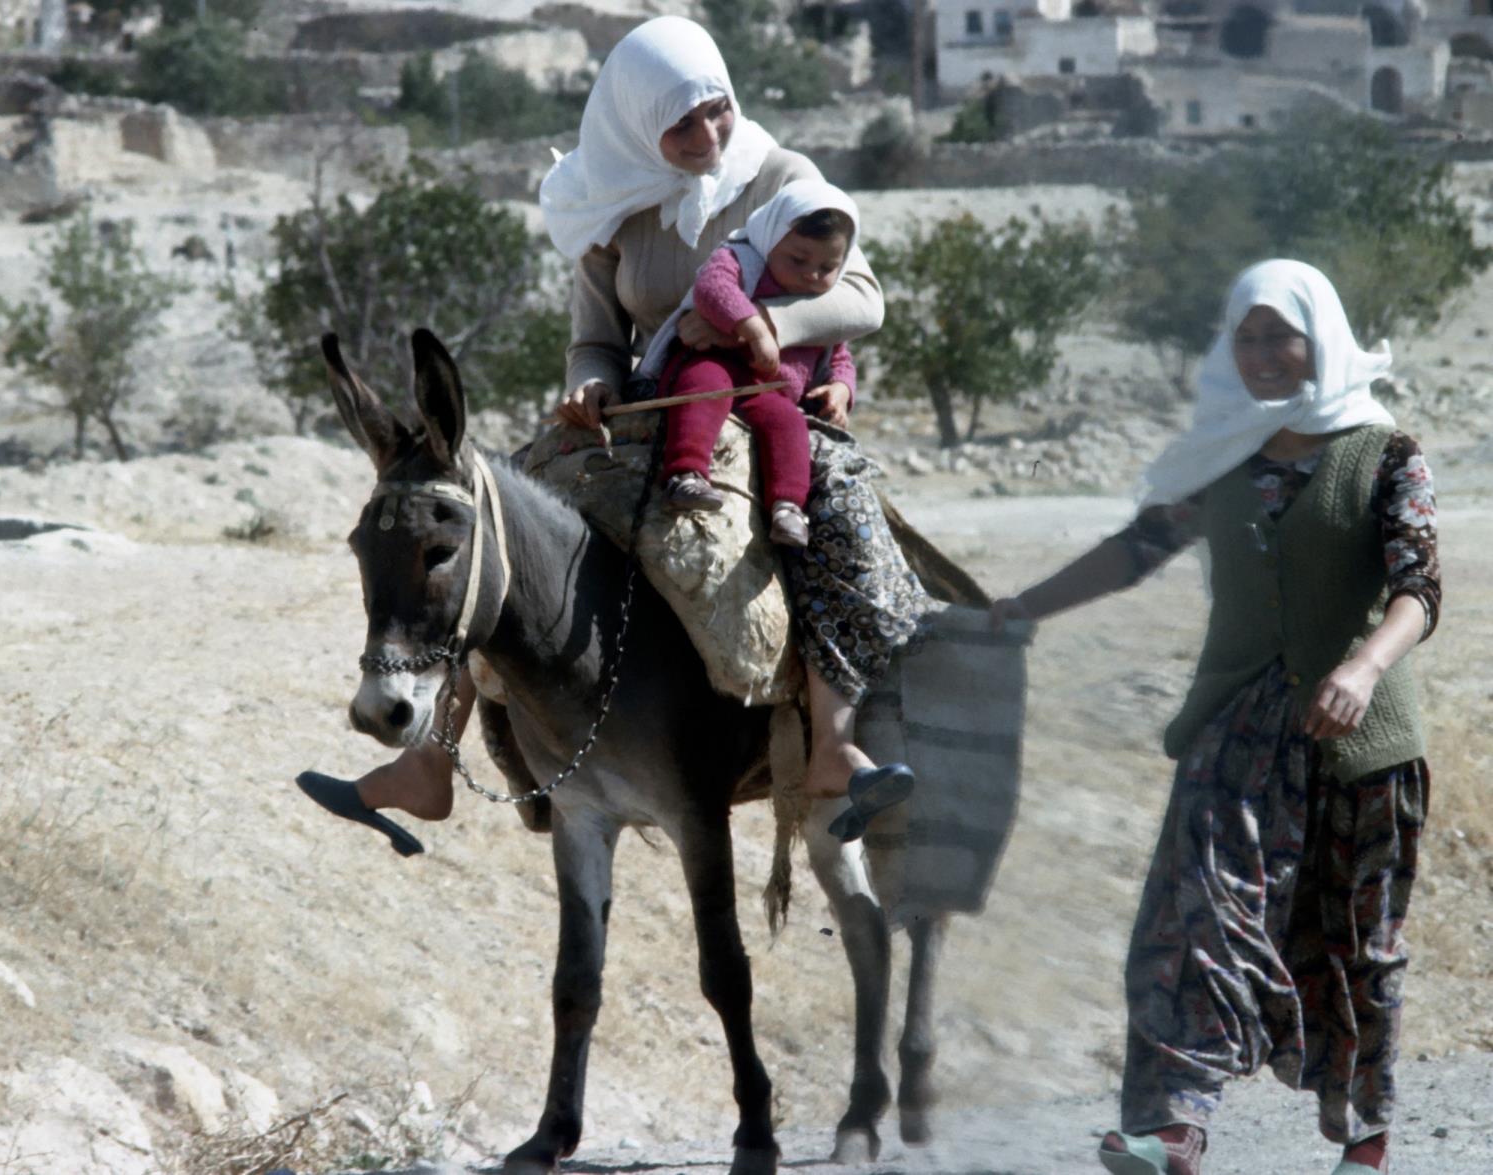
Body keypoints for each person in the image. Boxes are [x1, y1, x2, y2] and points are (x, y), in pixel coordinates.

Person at [300, 15, 929, 852]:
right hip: (647, 412)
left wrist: (753, 325)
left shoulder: (780, 174)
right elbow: (594, 337)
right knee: (487, 523)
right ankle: (431, 761)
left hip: (769, 398)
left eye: (717, 110)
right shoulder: (611, 200)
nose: (707, 136)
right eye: (681, 123)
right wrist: (589, 383)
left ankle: (836, 739)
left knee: (836, 521)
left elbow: (861, 295)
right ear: (636, 124)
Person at [989, 260, 1438, 1175]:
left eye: (1282, 336)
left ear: (1322, 336)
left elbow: (1420, 586)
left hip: (1362, 740)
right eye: (1248, 338)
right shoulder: (1224, 454)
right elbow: (1136, 550)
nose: (1264, 355)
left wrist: (1362, 667)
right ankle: (1173, 1127)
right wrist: (1019, 610)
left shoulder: (1385, 451)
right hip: (1236, 729)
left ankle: (1365, 1136)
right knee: (1190, 916)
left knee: (1358, 939)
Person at [648, 179, 864, 549]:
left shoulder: (827, 305)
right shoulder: (743, 260)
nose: (812, 275)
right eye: (798, 260)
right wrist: (755, 329)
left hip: (769, 392)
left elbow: (839, 355)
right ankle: (686, 473)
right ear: (770, 237)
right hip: (716, 362)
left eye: (828, 266)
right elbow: (713, 287)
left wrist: (841, 390)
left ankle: (788, 507)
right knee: (704, 385)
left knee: (787, 422)